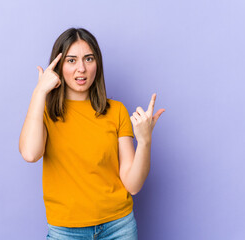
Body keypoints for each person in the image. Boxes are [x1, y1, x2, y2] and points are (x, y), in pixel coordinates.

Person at [19, 28, 165, 240]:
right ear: (58, 66)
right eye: (71, 60)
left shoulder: (116, 111)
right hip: (65, 231)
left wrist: (144, 141)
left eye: (89, 59)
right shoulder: (44, 111)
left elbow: (133, 185)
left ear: (97, 63)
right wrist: (39, 92)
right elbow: (30, 154)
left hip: (118, 228)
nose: (81, 68)